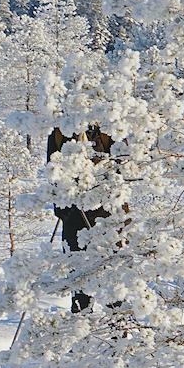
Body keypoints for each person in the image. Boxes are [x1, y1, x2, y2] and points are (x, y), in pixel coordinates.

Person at [46, 125, 115, 313]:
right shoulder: (62, 129)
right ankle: (80, 329)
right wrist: (63, 209)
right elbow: (52, 170)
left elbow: (123, 167)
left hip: (108, 217)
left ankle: (120, 331)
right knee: (79, 281)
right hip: (74, 216)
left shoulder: (112, 126)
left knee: (114, 284)